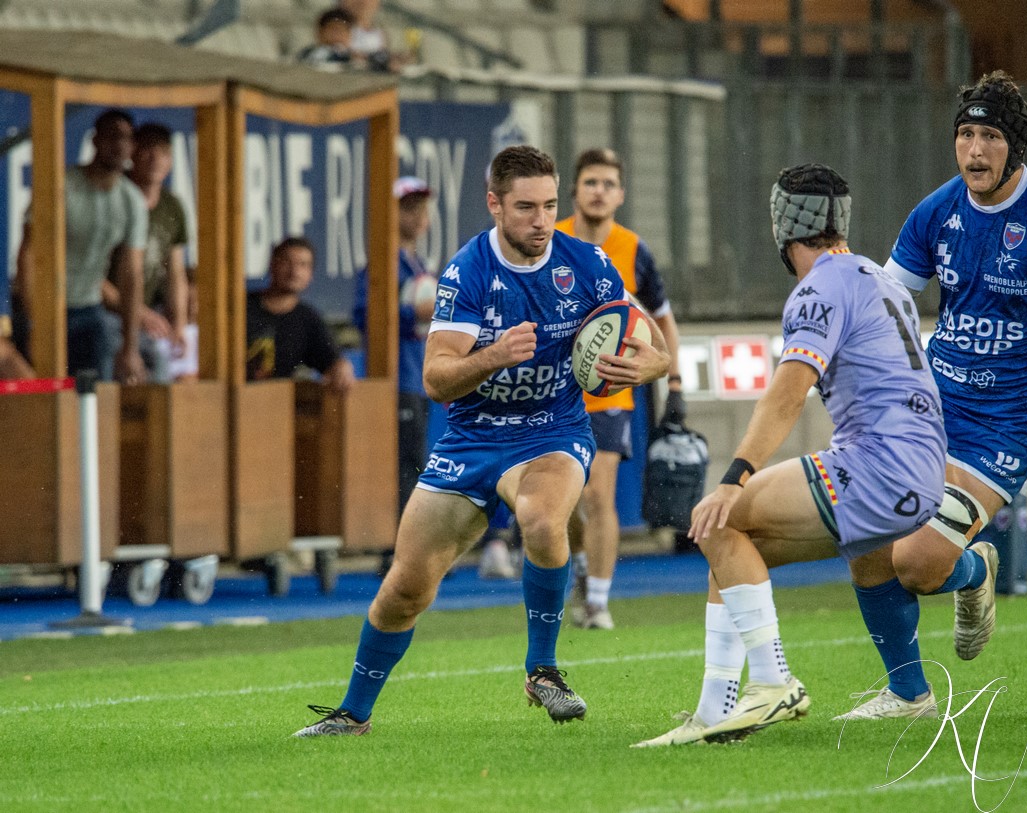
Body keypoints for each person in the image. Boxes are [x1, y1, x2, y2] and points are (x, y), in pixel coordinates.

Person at [293, 145, 671, 737]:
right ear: (494, 204)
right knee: (405, 588)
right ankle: (353, 714)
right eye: (525, 208)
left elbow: (649, 340)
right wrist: (495, 354)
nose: (541, 221)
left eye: (549, 206)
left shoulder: (589, 264)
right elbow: (436, 376)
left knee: (542, 521)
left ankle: (543, 669)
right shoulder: (467, 272)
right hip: (471, 437)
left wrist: (649, 367)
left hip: (553, 429)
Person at [830, 69, 1027, 720]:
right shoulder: (937, 211)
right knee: (863, 536)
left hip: (1004, 425)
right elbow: (886, 302)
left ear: (1015, 146)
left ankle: (975, 570)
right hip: (931, 406)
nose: (974, 150)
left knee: (915, 563)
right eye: (965, 134)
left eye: (990, 137)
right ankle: (907, 693)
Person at [635, 163, 951, 746]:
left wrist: (735, 476)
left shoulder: (818, 286)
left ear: (784, 226)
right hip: (925, 469)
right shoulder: (880, 280)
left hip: (876, 464)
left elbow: (787, 394)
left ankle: (774, 682)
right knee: (732, 548)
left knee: (720, 516)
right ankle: (713, 711)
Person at [554, 148, 686, 630]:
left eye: (609, 183)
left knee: (597, 496)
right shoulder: (552, 240)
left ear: (621, 194)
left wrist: (674, 383)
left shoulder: (633, 249)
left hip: (610, 392)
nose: (599, 191)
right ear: (575, 190)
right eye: (591, 182)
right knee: (562, 501)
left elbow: (662, 321)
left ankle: (598, 601)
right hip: (556, 390)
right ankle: (582, 567)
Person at [15, 108, 147, 383]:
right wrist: (35, 321)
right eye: (112, 136)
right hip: (47, 307)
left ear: (132, 147)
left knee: (98, 395)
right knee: (43, 395)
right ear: (95, 140)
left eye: (126, 138)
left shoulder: (131, 200)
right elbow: (28, 254)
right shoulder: (61, 187)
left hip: (89, 307)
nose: (119, 145)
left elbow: (132, 273)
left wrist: (130, 345)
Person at [354, 176, 436, 516]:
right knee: (405, 464)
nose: (418, 217)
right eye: (408, 208)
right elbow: (365, 315)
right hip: (396, 378)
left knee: (414, 462)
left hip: (418, 376)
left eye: (422, 209)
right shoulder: (382, 265)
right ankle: (400, 550)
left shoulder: (417, 265)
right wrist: (412, 312)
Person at [100, 122, 190, 384]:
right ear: (132, 154)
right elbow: (91, 273)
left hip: (144, 317)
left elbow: (176, 271)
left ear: (171, 161)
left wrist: (180, 325)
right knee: (152, 364)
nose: (155, 159)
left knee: (164, 374)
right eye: (147, 150)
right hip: (107, 312)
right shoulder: (115, 197)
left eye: (163, 152)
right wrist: (138, 312)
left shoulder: (172, 205)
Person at [246, 236, 356, 393]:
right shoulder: (241, 307)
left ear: (311, 275)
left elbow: (332, 360)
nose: (294, 272)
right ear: (272, 265)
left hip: (276, 407)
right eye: (287, 262)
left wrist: (342, 367)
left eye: (303, 265)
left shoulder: (307, 318)